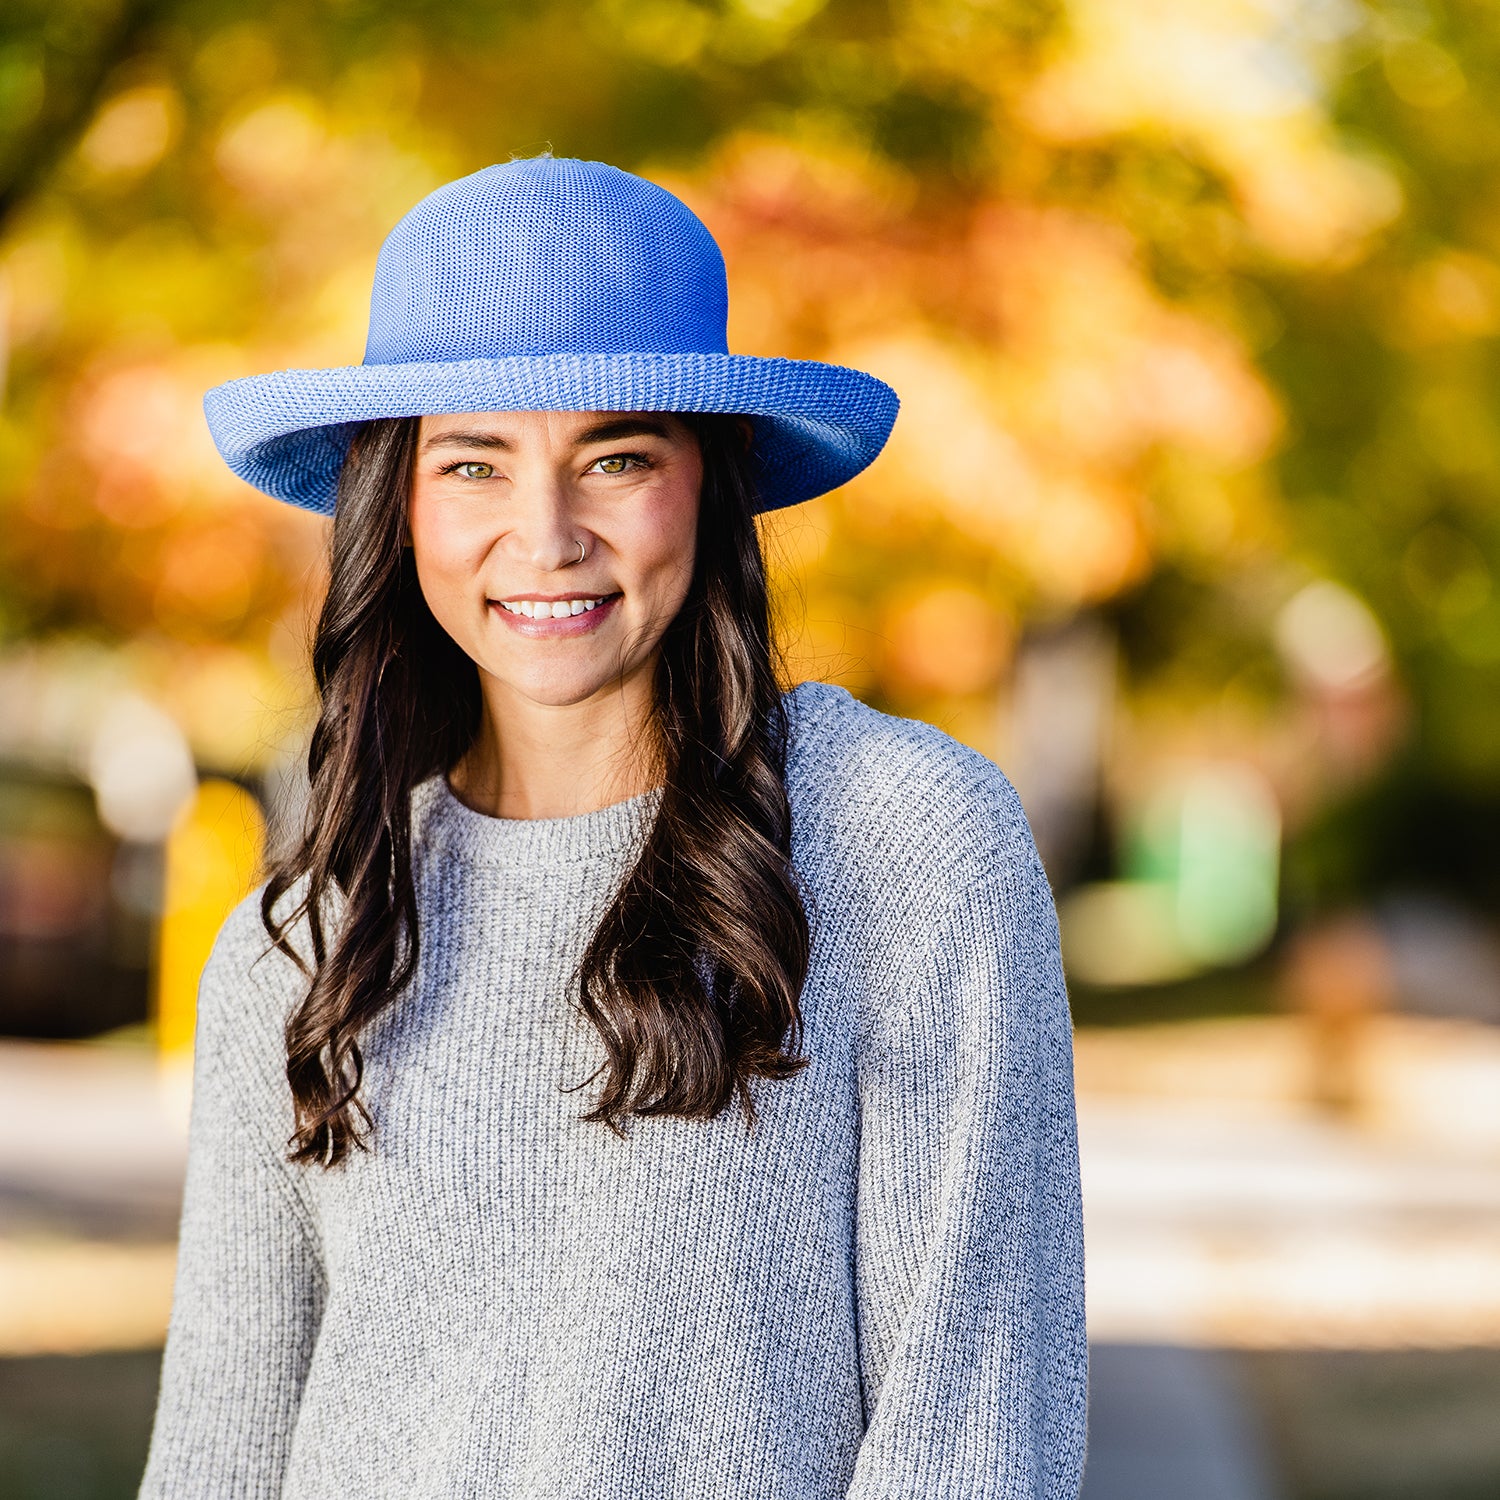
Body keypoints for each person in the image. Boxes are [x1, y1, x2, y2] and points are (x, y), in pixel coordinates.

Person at [138, 154, 1087, 1499]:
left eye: (615, 456)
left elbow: (975, 1432)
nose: (546, 534)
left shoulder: (907, 843)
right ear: (396, 506)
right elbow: (218, 1460)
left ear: (710, 485)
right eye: (474, 463)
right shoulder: (299, 950)